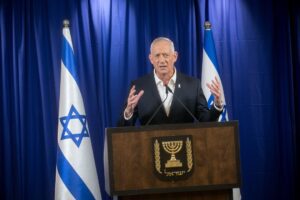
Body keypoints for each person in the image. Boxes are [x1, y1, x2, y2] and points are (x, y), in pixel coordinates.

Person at [118, 37, 223, 126]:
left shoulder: (192, 85)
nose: (162, 60)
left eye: (165, 55)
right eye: (157, 56)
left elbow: (206, 122)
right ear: (151, 59)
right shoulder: (139, 87)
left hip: (186, 147)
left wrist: (217, 105)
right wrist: (128, 112)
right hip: (150, 148)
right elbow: (122, 129)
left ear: (175, 56)